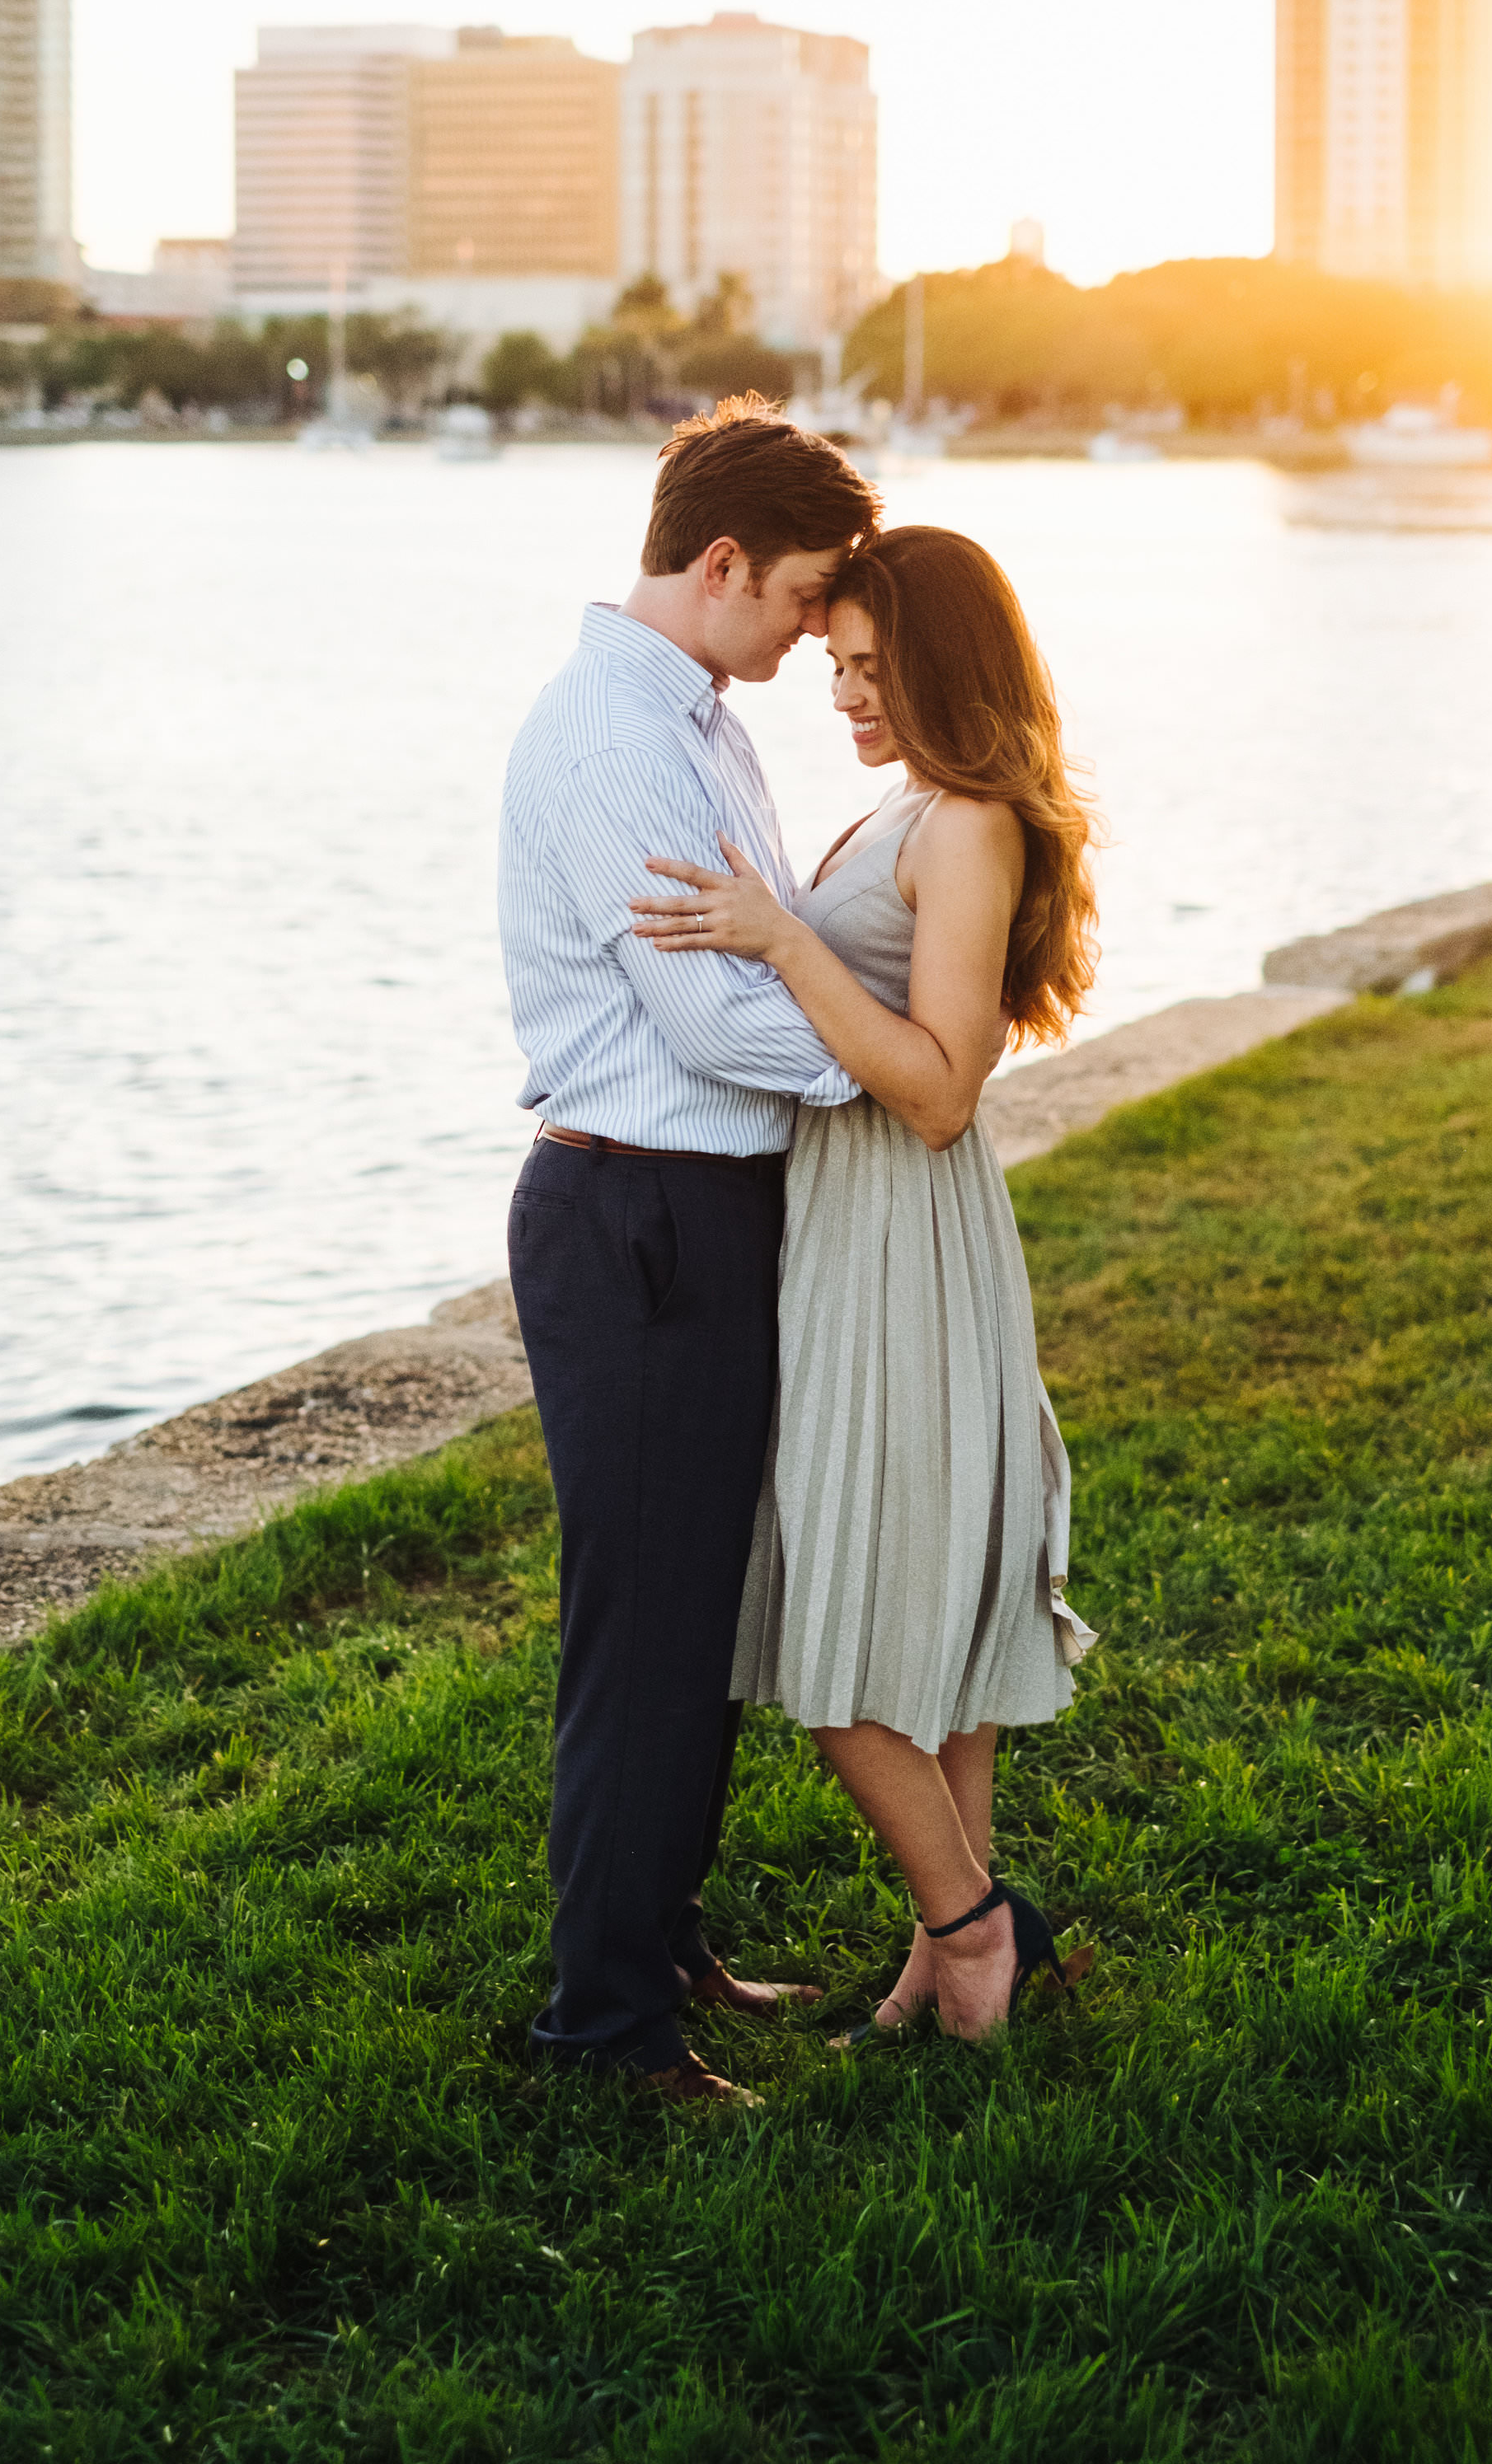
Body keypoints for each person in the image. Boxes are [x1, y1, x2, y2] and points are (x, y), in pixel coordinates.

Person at [629, 522, 1100, 2043]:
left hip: (905, 1235)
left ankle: (974, 1939)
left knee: (845, 1654)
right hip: (854, 1230)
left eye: (876, 670)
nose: (843, 696)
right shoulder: (908, 810)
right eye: (835, 668)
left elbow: (941, 1084)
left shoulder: (966, 824)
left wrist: (775, 936)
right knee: (926, 1644)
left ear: (950, 667)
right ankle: (951, 1961)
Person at [499, 395, 881, 2109]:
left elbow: (767, 945)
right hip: (635, 1207)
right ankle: (604, 2028)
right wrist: (902, 1072)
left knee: (697, 1615)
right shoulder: (610, 737)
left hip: (701, 1206)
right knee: (641, 1630)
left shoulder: (700, 714)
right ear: (722, 563)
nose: (817, 636)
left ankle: (657, 1943)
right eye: (803, 596)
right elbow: (716, 1019)